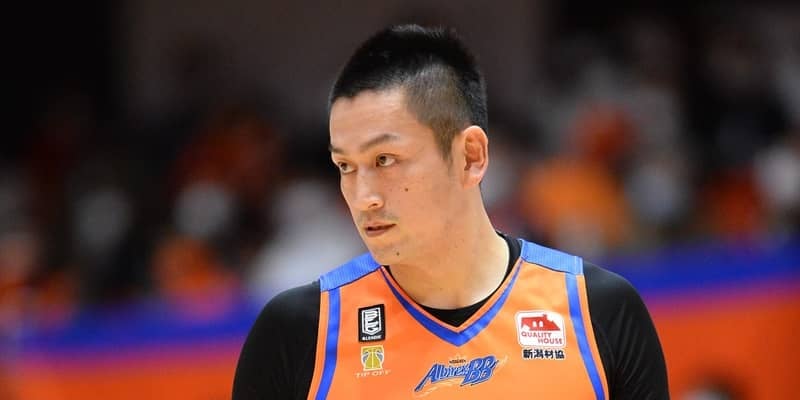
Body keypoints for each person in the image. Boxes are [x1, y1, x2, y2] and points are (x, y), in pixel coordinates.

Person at [233, 24, 669, 399]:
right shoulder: (298, 333)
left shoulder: (599, 312)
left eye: (385, 159)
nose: (363, 197)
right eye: (346, 166)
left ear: (470, 156)